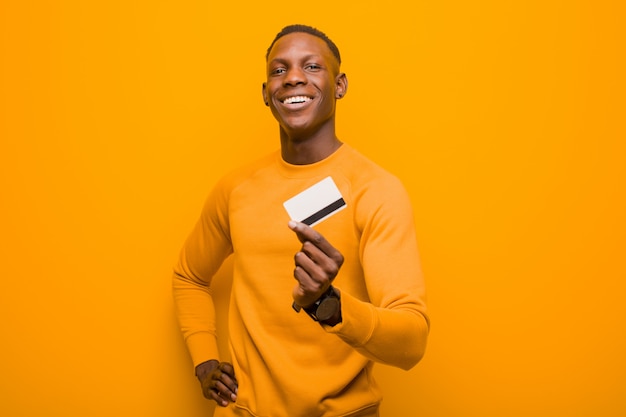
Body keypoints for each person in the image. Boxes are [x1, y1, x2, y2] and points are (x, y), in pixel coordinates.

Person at [172, 24, 429, 417]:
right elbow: (189, 276)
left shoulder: (375, 190)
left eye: (311, 67)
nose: (293, 77)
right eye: (279, 70)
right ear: (266, 94)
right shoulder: (235, 189)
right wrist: (204, 359)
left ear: (340, 85)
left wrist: (327, 303)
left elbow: (412, 342)